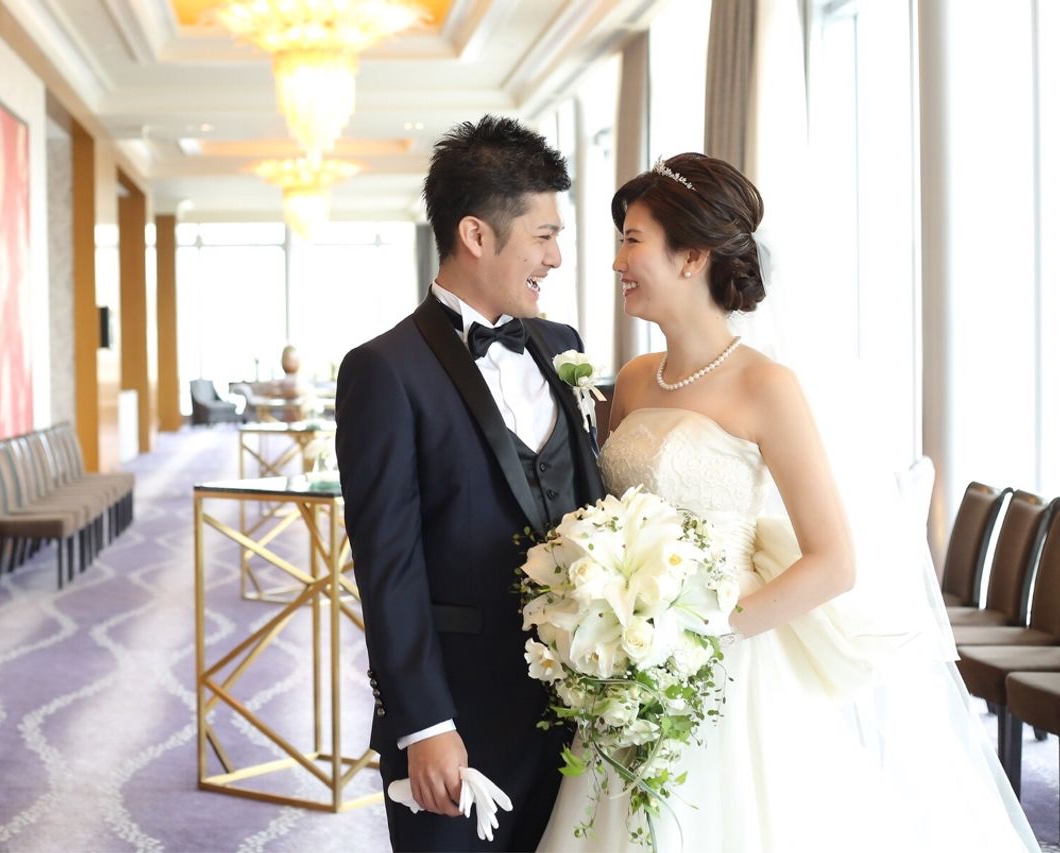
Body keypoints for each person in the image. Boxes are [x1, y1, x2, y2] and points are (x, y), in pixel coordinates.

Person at [538, 153, 1039, 852]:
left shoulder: (766, 386)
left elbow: (834, 562)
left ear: (692, 257)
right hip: (635, 665)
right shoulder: (635, 379)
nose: (618, 260)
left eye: (632, 240)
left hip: (733, 662)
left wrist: (700, 633)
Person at [335, 115, 605, 851]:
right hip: (458, 722)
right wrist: (425, 723)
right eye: (543, 235)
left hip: (581, 710)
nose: (556, 257)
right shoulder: (384, 370)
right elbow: (388, 563)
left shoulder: (562, 346)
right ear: (477, 235)